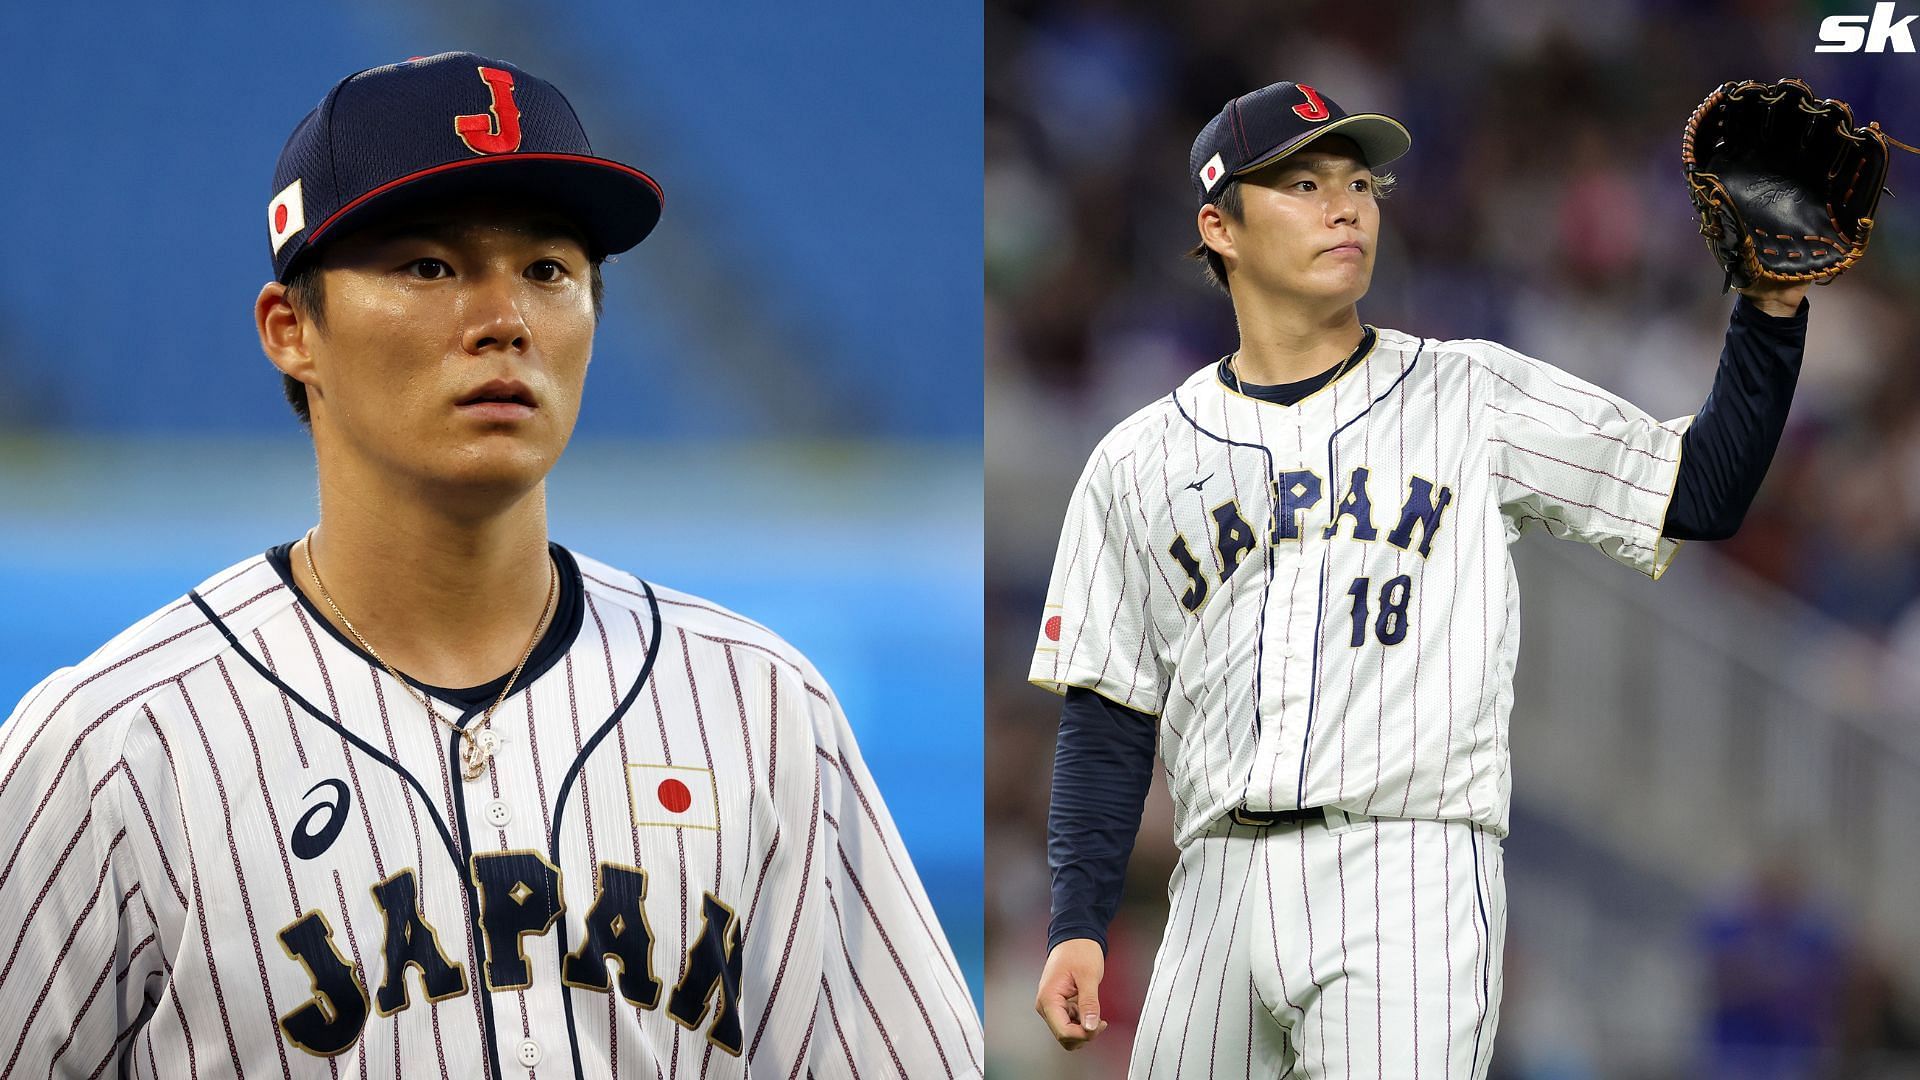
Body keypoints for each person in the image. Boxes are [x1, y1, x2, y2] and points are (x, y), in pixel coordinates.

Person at [0, 52, 980, 1078]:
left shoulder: (764, 707)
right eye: (429, 266)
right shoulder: (116, 744)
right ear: (292, 331)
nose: (505, 320)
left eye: (549, 271)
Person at [1029, 80, 1811, 1077]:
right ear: (1218, 226)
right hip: (1213, 882)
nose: (1346, 205)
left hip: (1408, 865)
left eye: (1359, 181)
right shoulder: (1135, 462)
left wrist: (1773, 309)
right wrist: (1078, 920)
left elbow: (1697, 491)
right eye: (1303, 184)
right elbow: (1107, 715)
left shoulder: (1468, 393)